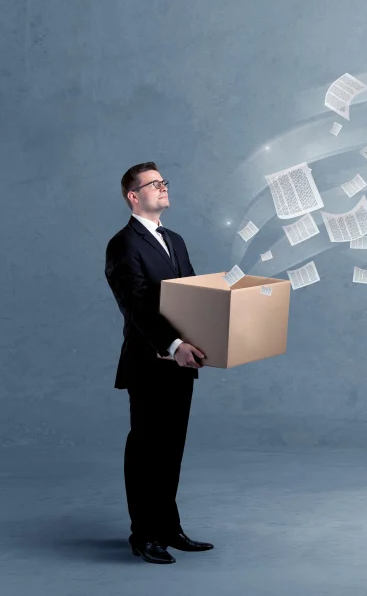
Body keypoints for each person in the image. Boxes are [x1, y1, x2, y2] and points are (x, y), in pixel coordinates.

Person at [104, 162, 213, 564]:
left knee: (172, 449)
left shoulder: (176, 240)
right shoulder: (123, 244)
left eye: (164, 182)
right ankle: (144, 534)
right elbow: (136, 305)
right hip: (150, 360)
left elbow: (194, 296)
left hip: (183, 362)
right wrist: (173, 343)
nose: (163, 188)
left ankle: (169, 528)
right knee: (147, 448)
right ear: (134, 196)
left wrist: (212, 336)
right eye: (154, 184)